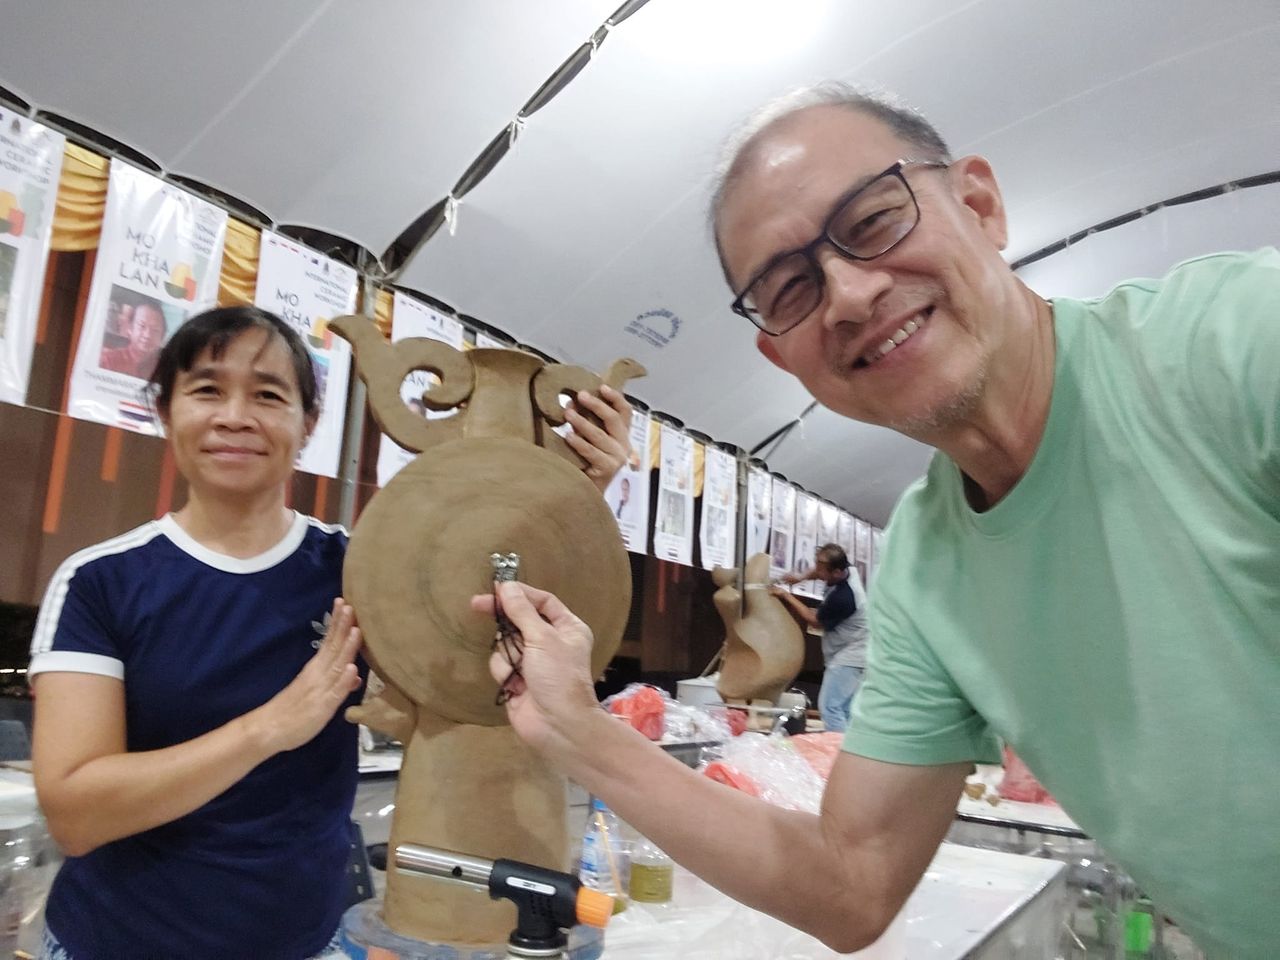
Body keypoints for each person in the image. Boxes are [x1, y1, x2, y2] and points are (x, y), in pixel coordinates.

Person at [473, 83, 1279, 958]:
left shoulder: (1234, 345)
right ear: (780, 355)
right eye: (791, 288)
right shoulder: (923, 569)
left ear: (979, 205)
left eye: (874, 220)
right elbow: (852, 881)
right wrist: (575, 727)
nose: (851, 295)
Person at [29, 305, 637, 959]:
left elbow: (503, 645)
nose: (236, 416)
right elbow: (76, 816)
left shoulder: (361, 570)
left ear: (309, 423)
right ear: (164, 410)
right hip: (116, 942)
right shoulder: (101, 581)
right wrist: (269, 729)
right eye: (207, 390)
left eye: (268, 395)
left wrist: (577, 496)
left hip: (312, 942)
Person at [770, 543, 867, 731]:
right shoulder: (846, 569)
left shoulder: (845, 596)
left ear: (837, 572)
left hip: (852, 654)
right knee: (844, 709)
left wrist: (785, 595)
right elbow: (820, 570)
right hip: (851, 650)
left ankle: (836, 747)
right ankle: (847, 744)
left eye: (822, 570)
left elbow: (815, 620)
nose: (817, 572)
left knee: (830, 707)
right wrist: (800, 578)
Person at [99, 299, 166, 379]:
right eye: (142, 326)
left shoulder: (164, 371)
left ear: (162, 337)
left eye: (155, 330)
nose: (147, 335)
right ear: (130, 328)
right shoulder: (108, 360)